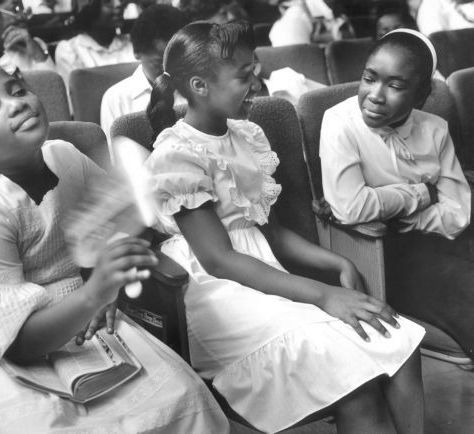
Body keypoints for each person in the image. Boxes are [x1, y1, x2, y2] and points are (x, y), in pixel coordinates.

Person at [145, 20, 426, 434]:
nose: (256, 83)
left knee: (399, 341)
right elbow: (219, 259)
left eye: (254, 69)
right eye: (243, 75)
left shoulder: (248, 136)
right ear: (200, 86)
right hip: (215, 293)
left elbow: (269, 233)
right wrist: (324, 294)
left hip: (264, 278)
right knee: (356, 384)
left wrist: (337, 264)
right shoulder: (177, 155)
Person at [0, 61, 229, 433]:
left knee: (182, 398)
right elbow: (18, 344)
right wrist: (95, 294)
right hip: (2, 340)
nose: (17, 103)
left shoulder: (64, 155)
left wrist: (109, 270)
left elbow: (114, 224)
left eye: (17, 90)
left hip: (80, 302)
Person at [320, 29, 474, 360]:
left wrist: (394, 211)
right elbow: (350, 208)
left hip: (448, 240)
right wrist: (421, 194)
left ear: (421, 96)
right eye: (369, 78)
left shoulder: (435, 129)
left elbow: (458, 214)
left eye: (395, 86)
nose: (375, 95)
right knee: (466, 288)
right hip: (387, 255)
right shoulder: (339, 123)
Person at [100, 3, 188, 153]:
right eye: (159, 62)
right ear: (137, 52)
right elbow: (116, 158)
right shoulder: (117, 98)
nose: (170, 69)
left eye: (178, 60)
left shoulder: (195, 89)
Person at [55, 0, 135, 87]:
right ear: (89, 11)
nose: (119, 4)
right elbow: (78, 92)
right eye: (107, 2)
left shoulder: (132, 43)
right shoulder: (70, 51)